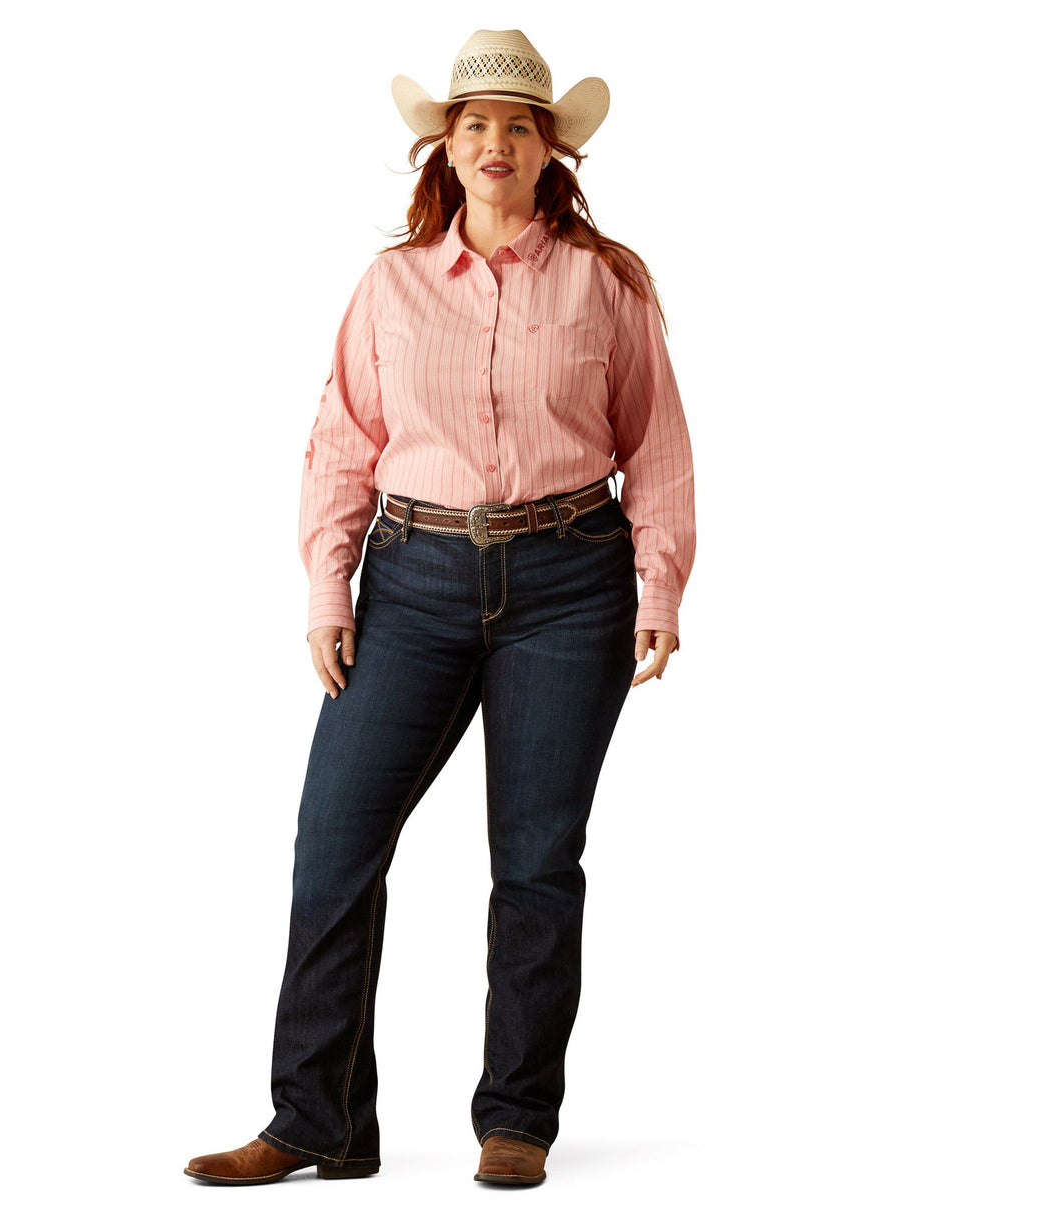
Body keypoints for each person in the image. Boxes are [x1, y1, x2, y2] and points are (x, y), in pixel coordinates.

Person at [184, 28, 695, 1188]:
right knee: (335, 847)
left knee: (534, 858)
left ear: (549, 148)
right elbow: (340, 441)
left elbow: (654, 439)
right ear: (445, 148)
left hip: (570, 585)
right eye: (475, 125)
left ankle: (516, 1117)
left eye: (519, 125)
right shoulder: (391, 286)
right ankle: (319, 1119)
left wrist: (659, 584)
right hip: (409, 584)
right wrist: (328, 585)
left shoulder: (603, 283)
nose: (496, 143)